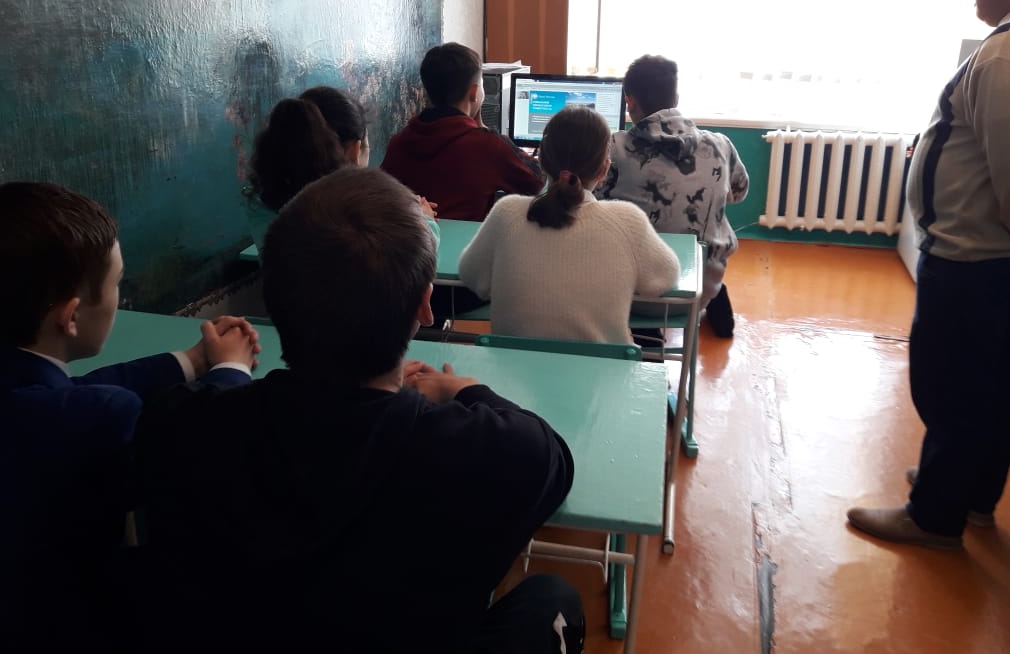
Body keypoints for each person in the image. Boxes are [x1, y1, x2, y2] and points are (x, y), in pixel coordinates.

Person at [133, 166, 584, 653]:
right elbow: (553, 459)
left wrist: (228, 374)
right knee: (553, 596)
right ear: (424, 306)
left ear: (273, 301)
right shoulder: (499, 451)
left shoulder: (179, 426)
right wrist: (466, 388)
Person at [0, 182, 259, 652]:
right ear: (71, 317)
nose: (119, 296)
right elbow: (198, 445)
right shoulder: (99, 419)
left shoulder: (34, 397)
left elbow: (69, 391)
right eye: (118, 283)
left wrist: (191, 361)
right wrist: (231, 371)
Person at [847, 0, 1010, 550]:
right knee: (995, 379)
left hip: (975, 258)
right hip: (996, 259)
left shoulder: (1008, 54)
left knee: (952, 384)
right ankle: (971, 490)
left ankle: (934, 514)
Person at [459, 106, 681, 344]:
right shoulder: (627, 220)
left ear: (541, 160)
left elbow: (472, 276)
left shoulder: (507, 212)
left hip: (507, 366)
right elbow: (665, 278)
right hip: (603, 367)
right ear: (604, 169)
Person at [596, 54, 749, 339]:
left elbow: (592, 203)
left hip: (633, 293)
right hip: (700, 288)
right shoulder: (720, 144)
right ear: (676, 98)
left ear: (629, 101)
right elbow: (738, 193)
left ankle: (645, 336)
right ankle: (715, 295)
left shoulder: (614, 148)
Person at [245, 92, 437, 257]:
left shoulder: (260, 202)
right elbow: (411, 256)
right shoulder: (350, 214)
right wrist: (423, 220)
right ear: (355, 151)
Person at [380, 42, 544, 222]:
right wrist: (485, 131)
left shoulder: (399, 143)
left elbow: (381, 196)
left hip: (416, 239)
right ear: (474, 92)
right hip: (467, 240)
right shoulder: (488, 146)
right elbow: (539, 183)